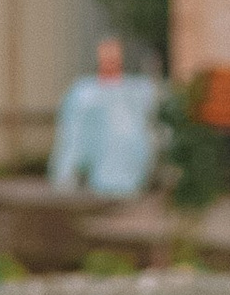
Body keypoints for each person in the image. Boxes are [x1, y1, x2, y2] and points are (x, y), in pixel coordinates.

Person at [46, 34, 160, 197]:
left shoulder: (134, 91)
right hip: (99, 176)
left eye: (114, 56)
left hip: (130, 169)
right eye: (106, 56)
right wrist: (67, 172)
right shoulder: (85, 93)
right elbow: (73, 135)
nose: (110, 61)